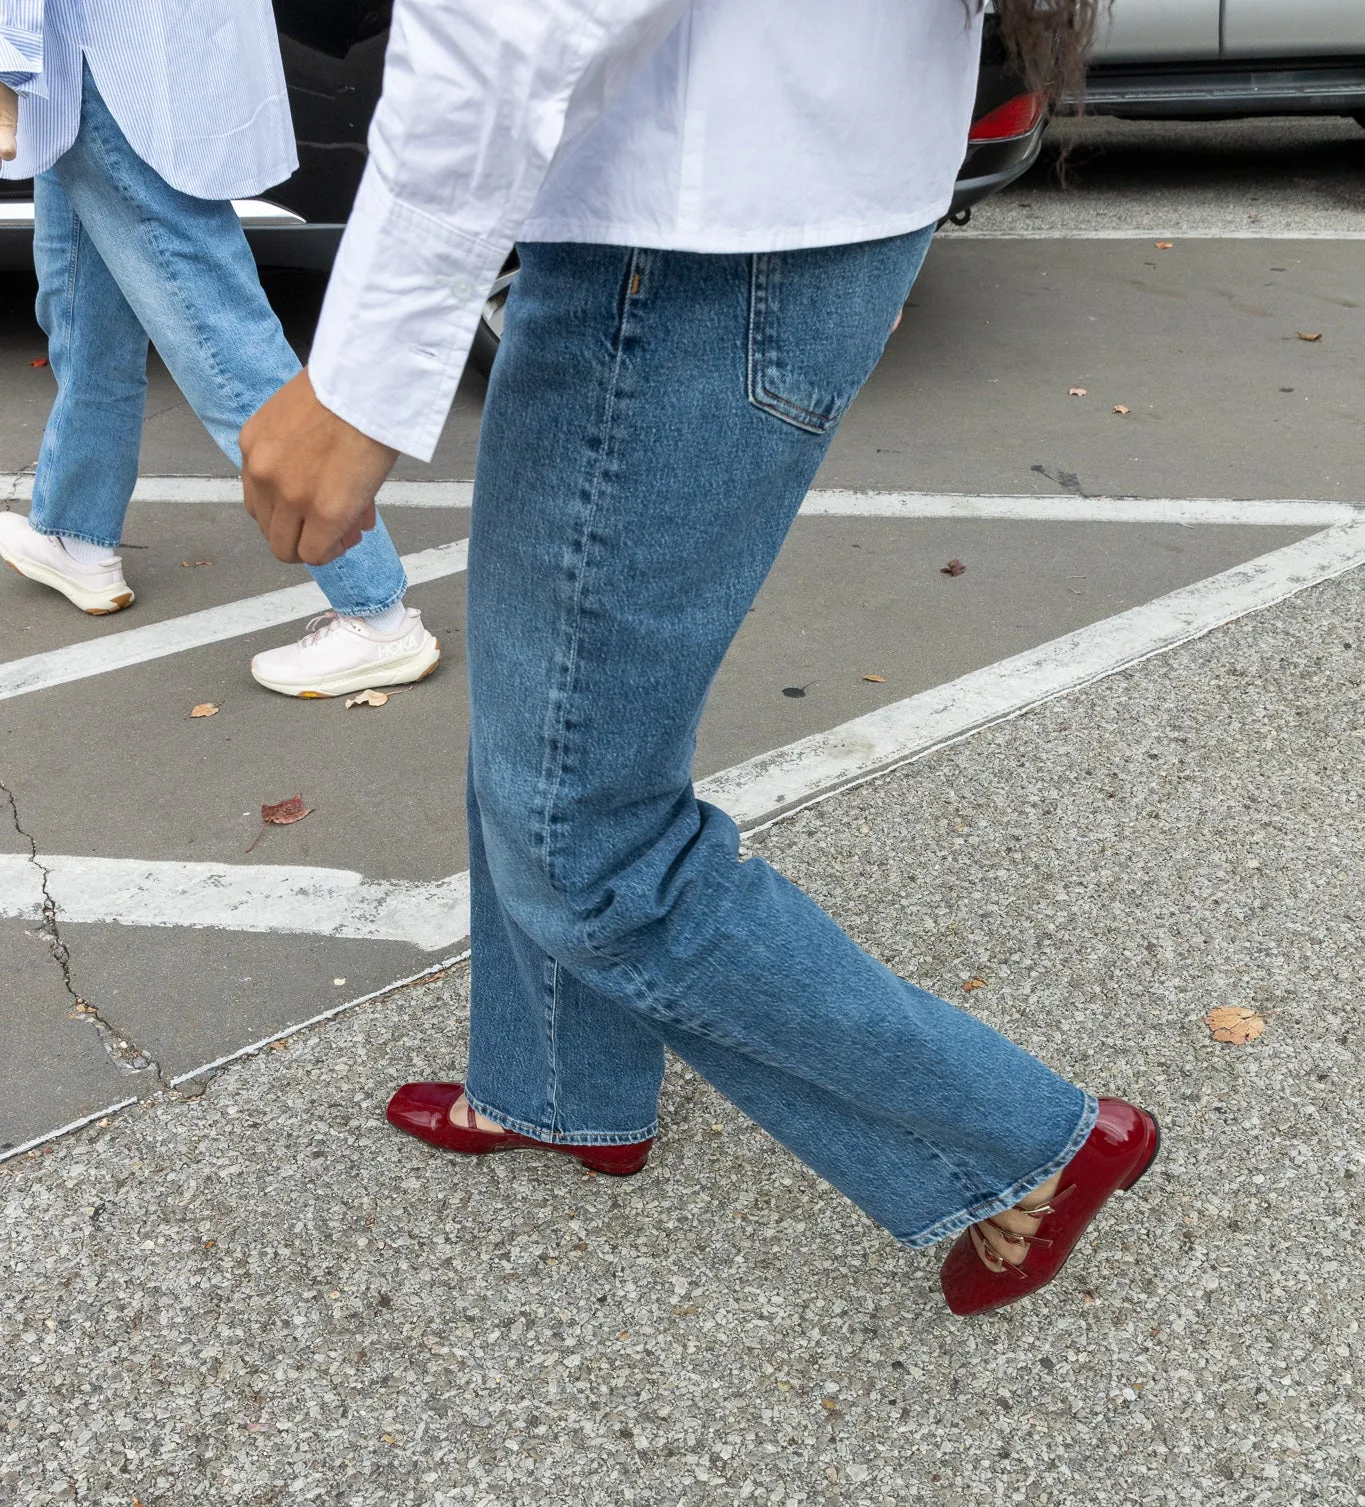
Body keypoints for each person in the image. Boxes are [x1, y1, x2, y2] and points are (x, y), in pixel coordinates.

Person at [240, 0, 1159, 1317]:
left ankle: (1020, 1141)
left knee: (586, 839)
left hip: (684, 241)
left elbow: (520, 13)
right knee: (545, 703)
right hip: (760, 196)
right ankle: (559, 1087)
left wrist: (362, 370)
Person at [0, 1, 439, 699]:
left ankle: (376, 614)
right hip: (129, 53)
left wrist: (6, 54)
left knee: (215, 334)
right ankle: (73, 534)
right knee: (83, 309)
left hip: (101, 60)